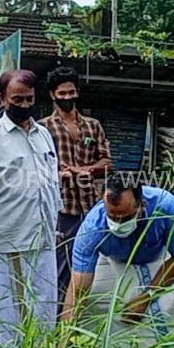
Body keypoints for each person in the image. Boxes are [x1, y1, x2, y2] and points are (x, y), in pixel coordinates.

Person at [0, 69, 62, 348]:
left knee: (42, 306)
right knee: (4, 313)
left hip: (43, 239)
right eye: (16, 99)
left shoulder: (44, 135)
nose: (23, 105)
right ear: (2, 99)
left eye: (28, 99)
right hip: (6, 241)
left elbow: (50, 184)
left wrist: (53, 226)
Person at [61, 174, 174, 342]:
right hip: (112, 260)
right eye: (112, 216)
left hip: (157, 258)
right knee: (94, 306)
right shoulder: (92, 228)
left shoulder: (165, 206)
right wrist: (63, 345)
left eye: (125, 217)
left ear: (142, 206)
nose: (118, 224)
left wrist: (147, 297)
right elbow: (77, 290)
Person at [40, 66, 113, 307]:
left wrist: (86, 170)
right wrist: (62, 174)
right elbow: (38, 166)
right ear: (53, 95)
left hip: (91, 204)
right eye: (62, 93)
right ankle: (60, 318)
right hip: (62, 206)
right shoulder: (43, 128)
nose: (68, 97)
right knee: (62, 264)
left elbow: (106, 161)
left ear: (77, 92)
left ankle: (89, 317)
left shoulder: (93, 126)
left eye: (71, 92)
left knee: (96, 260)